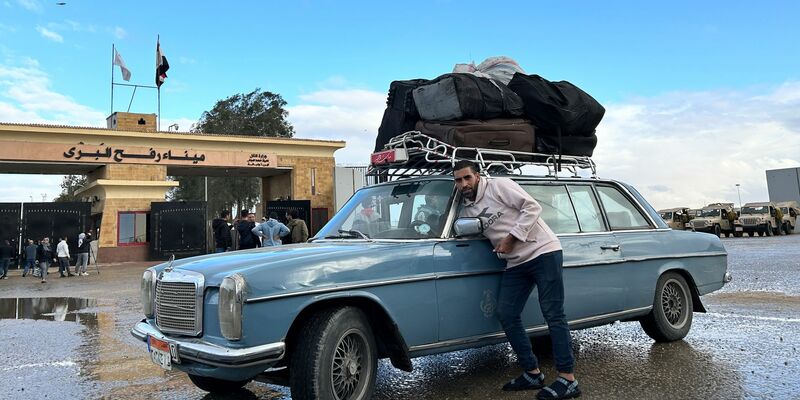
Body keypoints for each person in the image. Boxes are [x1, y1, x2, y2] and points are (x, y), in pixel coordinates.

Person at [453, 160, 580, 400]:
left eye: (467, 177)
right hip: (516, 262)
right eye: (458, 180)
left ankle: (568, 379)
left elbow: (532, 207)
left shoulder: (499, 185)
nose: (464, 184)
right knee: (506, 313)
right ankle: (532, 373)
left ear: (477, 176)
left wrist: (512, 238)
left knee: (553, 314)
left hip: (543, 251)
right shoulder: (466, 208)